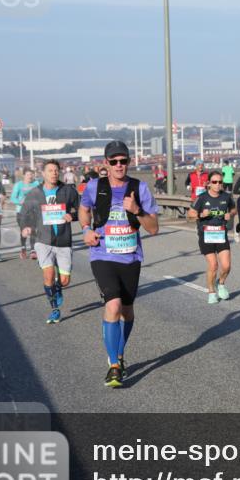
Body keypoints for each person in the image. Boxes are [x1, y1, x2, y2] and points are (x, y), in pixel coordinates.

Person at [78, 141, 160, 388]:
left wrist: (136, 210)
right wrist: (85, 230)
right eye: (113, 161)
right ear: (106, 163)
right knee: (112, 305)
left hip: (130, 258)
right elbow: (84, 210)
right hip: (102, 255)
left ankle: (120, 352)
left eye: (123, 161)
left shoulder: (139, 188)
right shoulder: (94, 187)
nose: (119, 165)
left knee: (127, 310)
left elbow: (154, 228)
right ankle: (114, 365)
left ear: (129, 162)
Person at [20, 160, 80, 324]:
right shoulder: (35, 193)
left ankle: (58, 287)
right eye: (50, 170)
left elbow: (82, 209)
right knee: (48, 275)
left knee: (64, 281)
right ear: (43, 174)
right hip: (43, 240)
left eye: (56, 170)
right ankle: (54, 310)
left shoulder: (68, 191)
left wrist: (72, 216)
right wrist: (25, 227)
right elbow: (24, 214)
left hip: (63, 239)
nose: (54, 173)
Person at [189, 170, 235, 304]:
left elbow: (233, 209)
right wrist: (201, 215)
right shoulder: (202, 198)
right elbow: (190, 214)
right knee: (213, 265)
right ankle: (211, 292)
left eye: (220, 182)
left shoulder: (226, 197)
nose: (217, 184)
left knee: (226, 266)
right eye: (214, 182)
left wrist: (230, 214)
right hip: (206, 235)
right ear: (209, 183)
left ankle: (220, 283)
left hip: (221, 234)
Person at [11, 168, 41, 260]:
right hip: (21, 212)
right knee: (24, 231)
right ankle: (23, 248)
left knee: (33, 230)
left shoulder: (36, 184)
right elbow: (13, 198)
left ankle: (33, 250)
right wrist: (21, 202)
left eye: (31, 174)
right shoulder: (19, 185)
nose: (30, 176)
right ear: (24, 175)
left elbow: (41, 194)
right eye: (28, 174)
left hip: (33, 212)